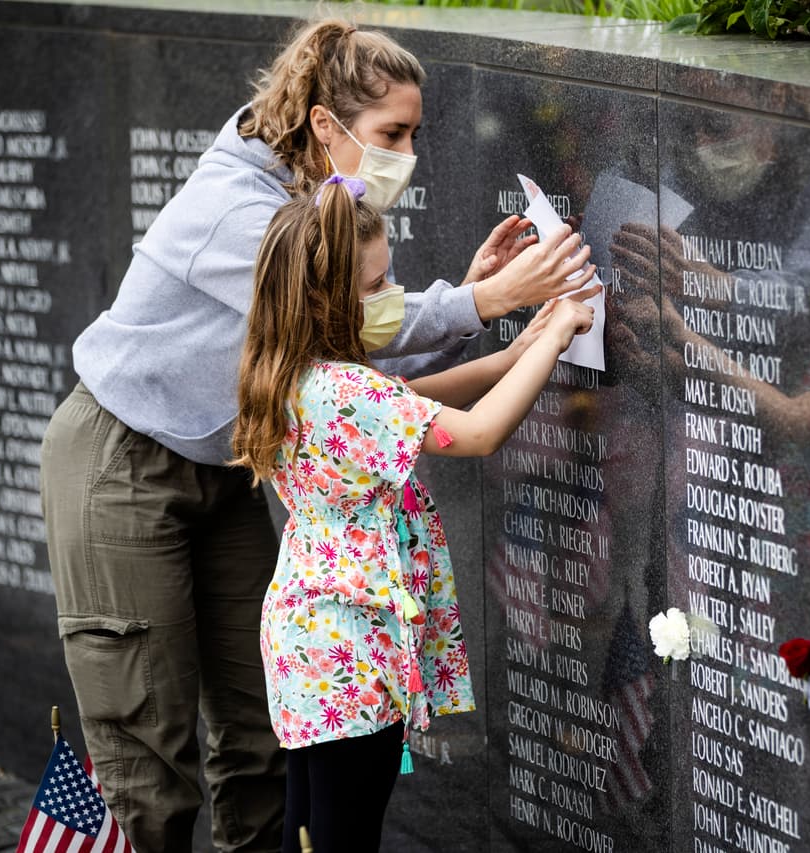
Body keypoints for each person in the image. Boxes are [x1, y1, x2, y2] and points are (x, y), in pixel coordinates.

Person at [39, 18, 598, 851]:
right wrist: (489, 305)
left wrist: (479, 306)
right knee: (147, 754)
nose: (406, 154)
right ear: (325, 125)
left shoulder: (322, 215)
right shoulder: (239, 209)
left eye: (414, 132)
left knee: (259, 737)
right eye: (392, 134)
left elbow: (352, 361)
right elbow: (359, 332)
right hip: (122, 462)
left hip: (224, 464)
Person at [232, 177, 594, 852]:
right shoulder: (345, 388)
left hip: (311, 644)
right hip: (354, 653)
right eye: (376, 285)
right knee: (345, 835)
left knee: (309, 826)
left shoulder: (296, 371)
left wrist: (515, 353)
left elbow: (408, 398)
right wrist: (560, 328)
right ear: (321, 296)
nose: (391, 297)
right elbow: (475, 433)